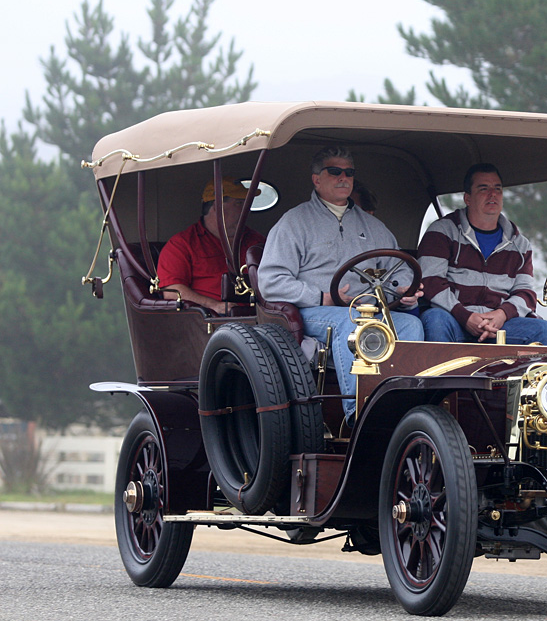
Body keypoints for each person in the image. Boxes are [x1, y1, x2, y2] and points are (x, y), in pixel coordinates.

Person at [259, 146, 423, 423]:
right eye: (334, 171)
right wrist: (320, 296)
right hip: (311, 311)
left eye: (349, 172)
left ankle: (408, 411)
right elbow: (270, 282)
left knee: (412, 325)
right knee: (355, 324)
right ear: (316, 179)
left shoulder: (373, 226)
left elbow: (399, 270)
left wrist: (405, 291)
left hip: (369, 310)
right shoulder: (294, 222)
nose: (343, 178)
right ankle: (359, 416)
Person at [417, 162, 547, 345]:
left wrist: (501, 315)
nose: (493, 194)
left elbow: (526, 293)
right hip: (454, 320)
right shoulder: (442, 232)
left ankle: (517, 374)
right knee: (435, 319)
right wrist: (465, 317)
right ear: (467, 198)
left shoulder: (520, 244)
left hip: (499, 326)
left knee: (546, 331)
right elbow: (430, 282)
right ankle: (443, 375)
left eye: (497, 189)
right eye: (483, 188)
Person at [157, 177, 265, 315]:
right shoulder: (181, 245)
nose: (247, 210)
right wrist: (214, 306)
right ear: (217, 207)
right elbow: (172, 293)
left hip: (260, 316)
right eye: (239, 204)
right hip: (213, 322)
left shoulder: (257, 241)